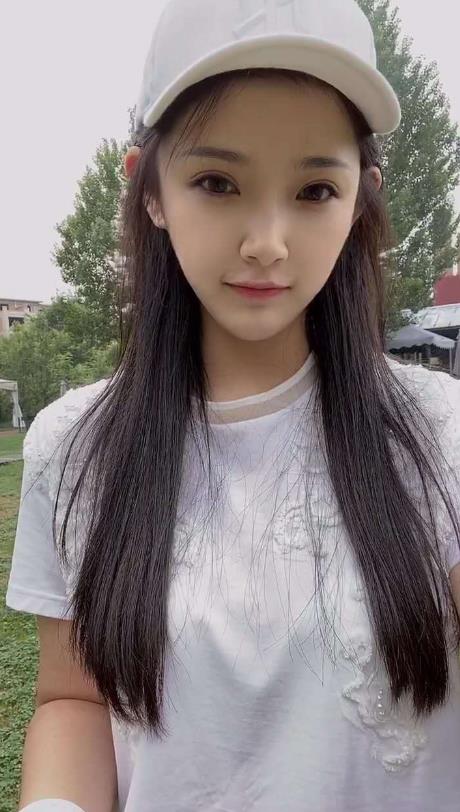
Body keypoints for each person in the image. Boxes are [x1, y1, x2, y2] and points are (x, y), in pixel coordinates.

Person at [6, 1, 460, 810]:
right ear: (148, 187)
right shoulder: (74, 446)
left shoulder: (440, 433)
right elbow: (74, 697)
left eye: (315, 189)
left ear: (362, 198)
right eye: (217, 182)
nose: (267, 242)